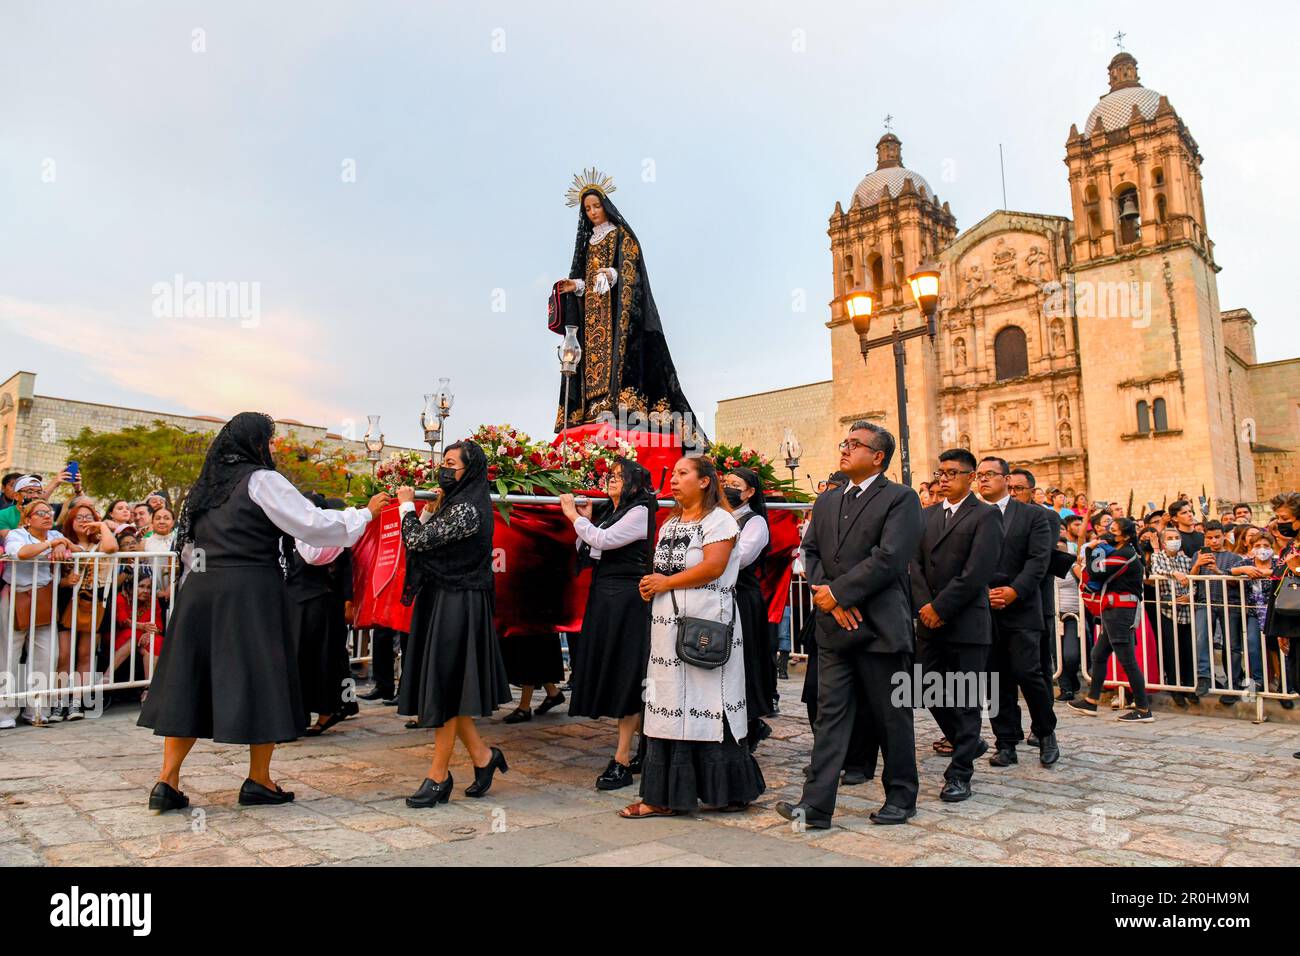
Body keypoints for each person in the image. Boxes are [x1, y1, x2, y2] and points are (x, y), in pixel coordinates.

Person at [138, 412, 386, 813]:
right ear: (255, 444)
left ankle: (166, 781)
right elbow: (312, 524)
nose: (271, 448)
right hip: (249, 589)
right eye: (269, 441)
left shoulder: (202, 489)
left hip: (201, 589)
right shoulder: (262, 480)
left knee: (193, 678)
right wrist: (365, 514)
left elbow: (187, 548)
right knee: (264, 676)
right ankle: (259, 780)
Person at [776, 421, 922, 828]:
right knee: (830, 717)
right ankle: (816, 805)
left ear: (878, 456)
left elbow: (890, 557)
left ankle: (901, 796)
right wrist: (828, 595)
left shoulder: (900, 499)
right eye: (845, 442)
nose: (845, 448)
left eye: (855, 444)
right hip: (835, 629)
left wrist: (839, 594)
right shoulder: (827, 500)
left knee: (892, 717)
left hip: (880, 628)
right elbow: (811, 550)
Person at [620, 456, 764, 818]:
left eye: (684, 473)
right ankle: (663, 795)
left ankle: (726, 790)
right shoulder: (669, 523)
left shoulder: (721, 521)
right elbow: (664, 567)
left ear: (704, 481)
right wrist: (652, 585)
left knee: (709, 704)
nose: (674, 480)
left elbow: (713, 566)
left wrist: (666, 582)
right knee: (667, 704)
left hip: (706, 627)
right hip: (668, 627)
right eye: (674, 474)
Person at [396, 440, 513, 808]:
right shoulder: (453, 506)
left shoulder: (469, 510)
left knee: (445, 687)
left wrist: (405, 504)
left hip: (459, 603)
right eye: (443, 462)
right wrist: (427, 510)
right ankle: (482, 757)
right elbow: (428, 542)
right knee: (450, 687)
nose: (444, 470)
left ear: (469, 469)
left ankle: (438, 775)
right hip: (443, 599)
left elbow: (415, 539)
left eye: (451, 464)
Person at [550, 173, 701, 438]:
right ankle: (592, 407)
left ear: (605, 206)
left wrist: (612, 274)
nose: (593, 212)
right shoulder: (587, 244)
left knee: (616, 360)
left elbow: (632, 271)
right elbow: (585, 277)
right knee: (591, 360)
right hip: (593, 316)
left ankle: (618, 402)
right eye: (587, 208)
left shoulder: (622, 236)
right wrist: (576, 286)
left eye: (596, 206)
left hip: (618, 316)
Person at [910, 448, 1001, 802]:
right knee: (925, 687)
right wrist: (924, 606)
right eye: (940, 472)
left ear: (970, 477)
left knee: (964, 698)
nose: (943, 478)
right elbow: (913, 565)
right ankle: (969, 740)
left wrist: (941, 607)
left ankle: (960, 773)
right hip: (928, 620)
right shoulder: (927, 515)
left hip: (965, 621)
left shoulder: (985, 516)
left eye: (951, 473)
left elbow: (977, 571)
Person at [560, 458, 656, 790]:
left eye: (619, 476)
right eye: (610, 475)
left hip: (628, 601)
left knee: (628, 674)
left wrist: (574, 517)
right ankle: (641, 749)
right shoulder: (611, 513)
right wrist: (585, 522)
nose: (611, 480)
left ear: (633, 482)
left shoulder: (640, 511)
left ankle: (622, 757)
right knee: (617, 670)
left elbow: (605, 541)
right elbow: (592, 550)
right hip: (606, 598)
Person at [976, 457, 1059, 767]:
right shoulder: (974, 515)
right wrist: (980, 591)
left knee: (1028, 672)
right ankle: (1006, 740)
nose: (983, 480)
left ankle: (1045, 731)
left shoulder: (1031, 516)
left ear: (1006, 478)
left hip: (1021, 607)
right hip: (985, 609)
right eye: (979, 475)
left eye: (990, 475)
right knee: (995, 679)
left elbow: (1039, 560)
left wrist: (1014, 591)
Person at [1069, 518, 1154, 722]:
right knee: (1098, 654)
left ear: (1125, 536)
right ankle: (1092, 700)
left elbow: (1097, 571)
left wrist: (1090, 551)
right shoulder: (1121, 552)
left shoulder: (1125, 554)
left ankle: (1143, 709)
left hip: (1120, 612)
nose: (1109, 535)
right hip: (1113, 610)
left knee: (1127, 660)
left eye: (1114, 532)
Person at [287, 493, 357, 736]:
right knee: (302, 659)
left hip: (320, 603)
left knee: (326, 658)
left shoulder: (330, 536)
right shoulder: (290, 532)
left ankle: (332, 708)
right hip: (296, 602)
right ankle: (302, 712)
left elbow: (344, 569)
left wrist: (349, 601)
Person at [1, 501, 74, 729]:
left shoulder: (54, 534)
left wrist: (63, 544)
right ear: (27, 519)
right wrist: (53, 544)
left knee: (47, 655)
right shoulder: (16, 534)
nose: (46, 516)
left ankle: (37, 710)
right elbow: (21, 553)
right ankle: (5, 711)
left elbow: (77, 550)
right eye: (40, 513)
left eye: (48, 512)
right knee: (9, 655)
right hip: (17, 595)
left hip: (44, 598)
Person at [721, 466, 777, 752]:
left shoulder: (754, 523)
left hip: (742, 598)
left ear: (750, 492)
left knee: (745, 660)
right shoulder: (717, 517)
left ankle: (750, 719)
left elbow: (739, 558)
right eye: (726, 482)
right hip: (719, 597)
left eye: (735, 484)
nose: (728, 487)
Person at [54, 496, 118, 720]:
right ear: (70, 520)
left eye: (88, 517)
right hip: (66, 603)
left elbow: (111, 547)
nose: (83, 520)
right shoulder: (61, 541)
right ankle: (59, 700)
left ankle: (77, 702)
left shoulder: (100, 542)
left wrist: (101, 526)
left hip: (94, 602)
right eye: (79, 517)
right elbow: (55, 578)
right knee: (64, 654)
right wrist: (65, 582)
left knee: (85, 653)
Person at [1010, 468, 1062, 717]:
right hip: (1006, 600)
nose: (1014, 494)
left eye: (1019, 489)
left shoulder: (1046, 517)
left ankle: (1043, 721)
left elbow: (1041, 556)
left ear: (1032, 491)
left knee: (1039, 665)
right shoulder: (997, 515)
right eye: (1010, 489)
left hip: (1038, 601)